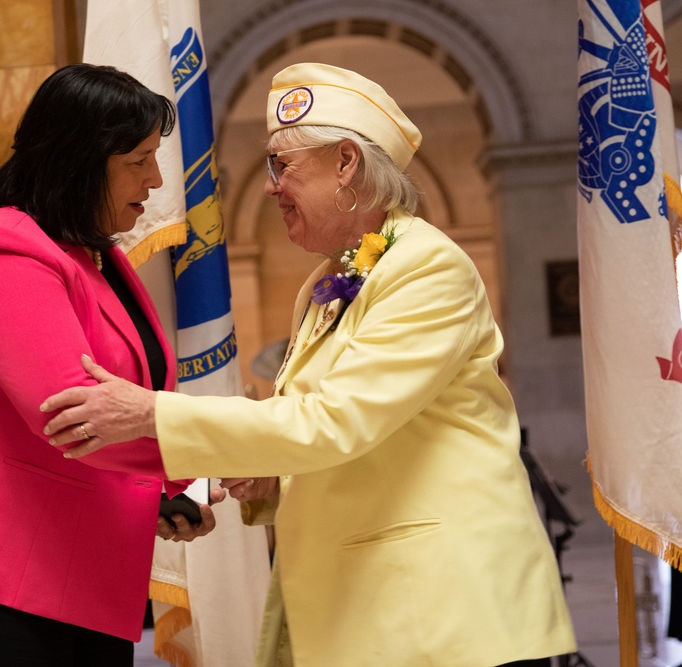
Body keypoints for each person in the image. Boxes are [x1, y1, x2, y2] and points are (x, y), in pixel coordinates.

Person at [41, 63, 577, 667]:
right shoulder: (336, 277)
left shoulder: (426, 268)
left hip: (445, 621)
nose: (269, 186)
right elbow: (345, 433)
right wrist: (268, 476)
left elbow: (336, 421)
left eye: (282, 165)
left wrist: (149, 413)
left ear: (347, 163)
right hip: (372, 610)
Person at [0, 63, 222, 667]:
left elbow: (124, 401)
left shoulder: (95, 256)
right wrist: (220, 456)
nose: (156, 179)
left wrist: (162, 493)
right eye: (138, 160)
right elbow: (73, 413)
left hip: (72, 573)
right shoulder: (2, 247)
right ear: (81, 158)